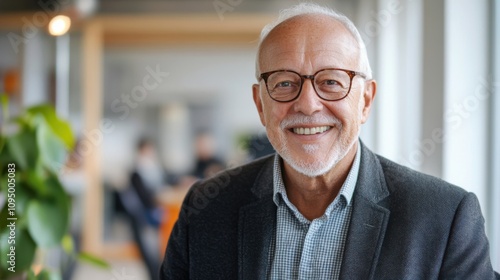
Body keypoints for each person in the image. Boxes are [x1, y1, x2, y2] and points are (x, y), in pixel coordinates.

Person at [160, 3, 500, 279]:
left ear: (365, 100)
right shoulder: (205, 209)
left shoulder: (444, 217)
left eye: (332, 82)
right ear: (260, 104)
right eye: (283, 83)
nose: (307, 104)